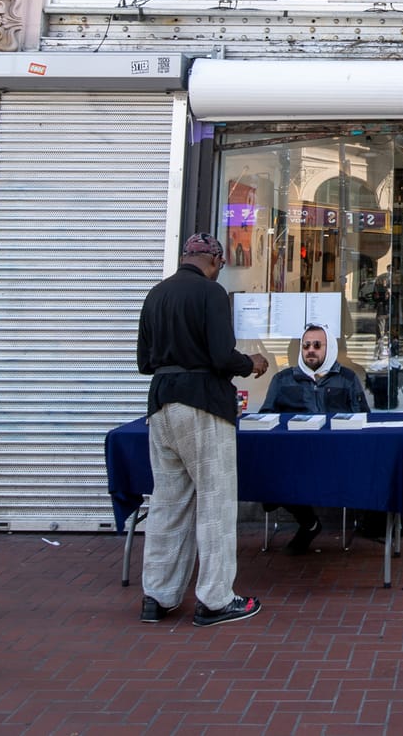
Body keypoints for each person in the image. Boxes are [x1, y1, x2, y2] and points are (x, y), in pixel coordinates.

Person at [136, 233, 268, 627]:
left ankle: (156, 595)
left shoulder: (155, 295)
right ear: (213, 260)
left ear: (184, 257)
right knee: (216, 501)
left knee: (167, 502)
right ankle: (215, 599)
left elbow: (144, 361)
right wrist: (252, 363)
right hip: (203, 404)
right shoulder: (211, 294)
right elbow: (221, 355)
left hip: (160, 402)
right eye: (220, 264)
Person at [259, 323, 368, 554]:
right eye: (306, 345)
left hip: (336, 457)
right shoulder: (282, 380)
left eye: (317, 345)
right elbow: (266, 417)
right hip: (293, 458)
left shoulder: (347, 379)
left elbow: (362, 417)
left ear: (329, 348)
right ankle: (309, 524)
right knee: (269, 472)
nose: (310, 350)